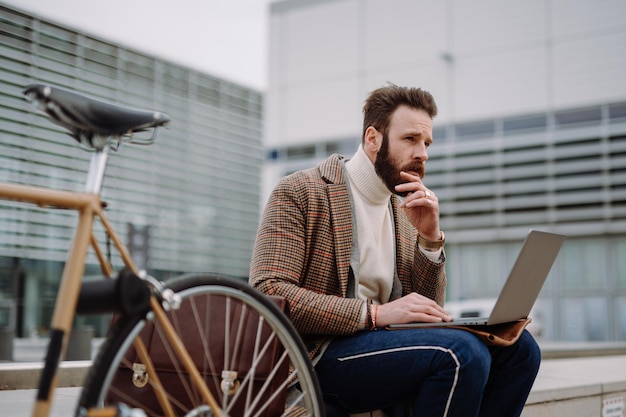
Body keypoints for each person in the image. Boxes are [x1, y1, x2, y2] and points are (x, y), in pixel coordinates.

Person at [250, 84, 540, 417]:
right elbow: (268, 292)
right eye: (410, 139)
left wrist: (429, 239)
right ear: (372, 138)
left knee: (522, 349)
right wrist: (373, 314)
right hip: (316, 356)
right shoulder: (301, 191)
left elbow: (426, 312)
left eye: (427, 143)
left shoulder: (403, 210)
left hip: (382, 351)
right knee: (461, 352)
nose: (424, 153)